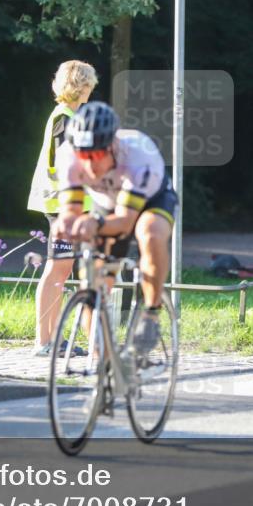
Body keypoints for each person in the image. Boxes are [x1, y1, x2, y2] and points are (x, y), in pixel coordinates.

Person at [53, 101, 177, 354]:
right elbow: (71, 210)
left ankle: (151, 314)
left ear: (112, 146)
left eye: (96, 155)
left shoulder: (137, 155)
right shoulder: (67, 155)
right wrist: (65, 223)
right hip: (106, 204)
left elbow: (125, 222)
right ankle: (103, 361)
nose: (89, 165)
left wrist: (93, 223)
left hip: (149, 200)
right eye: (83, 155)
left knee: (149, 233)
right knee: (93, 282)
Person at [28, 61, 97, 357]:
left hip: (66, 204)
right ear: (80, 86)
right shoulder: (64, 118)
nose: (91, 91)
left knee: (61, 269)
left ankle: (51, 339)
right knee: (58, 269)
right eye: (90, 85)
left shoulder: (69, 116)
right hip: (62, 205)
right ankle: (45, 341)